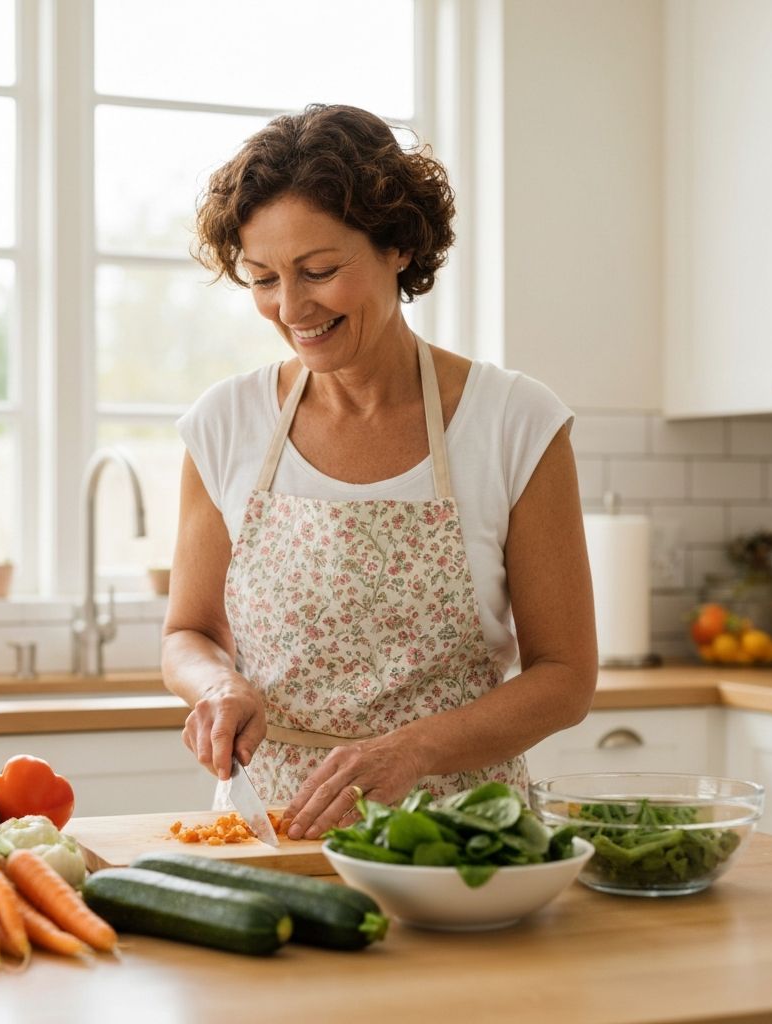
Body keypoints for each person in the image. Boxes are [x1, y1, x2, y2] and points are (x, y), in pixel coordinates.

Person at [162, 103, 597, 842]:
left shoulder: (514, 421)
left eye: (320, 271)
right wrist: (218, 684)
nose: (291, 308)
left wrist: (416, 748)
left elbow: (565, 676)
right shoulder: (225, 424)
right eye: (263, 278)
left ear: (398, 244)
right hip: (273, 835)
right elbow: (188, 632)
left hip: (462, 840)